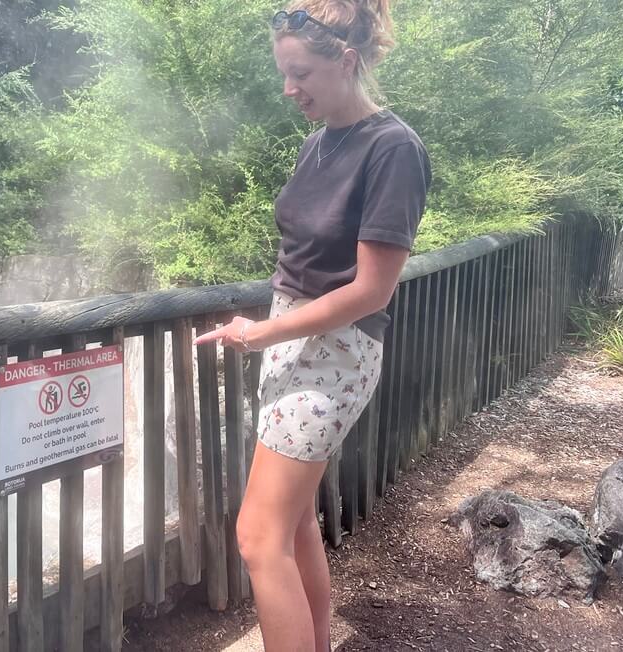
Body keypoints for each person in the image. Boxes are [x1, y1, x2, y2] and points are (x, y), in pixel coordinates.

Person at [193, 1, 431, 649]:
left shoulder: (394, 150)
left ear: (346, 61)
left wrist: (260, 334)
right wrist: (271, 330)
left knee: (256, 536)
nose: (288, 88)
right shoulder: (319, 141)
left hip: (335, 354)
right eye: (283, 73)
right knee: (293, 526)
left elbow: (370, 290)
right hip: (291, 341)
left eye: (299, 73)